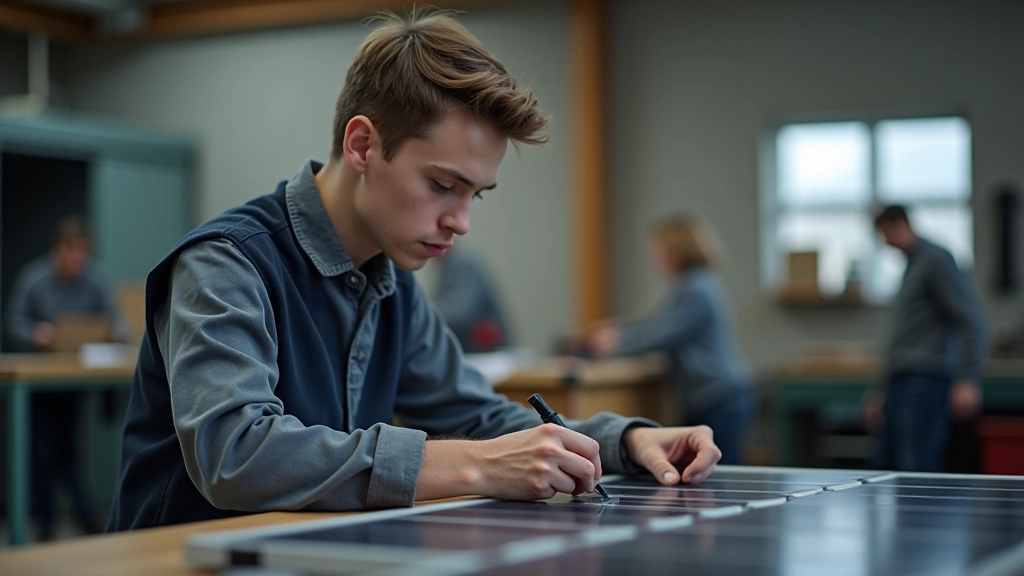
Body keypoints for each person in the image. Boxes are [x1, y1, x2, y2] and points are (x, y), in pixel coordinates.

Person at [108, 9, 721, 532]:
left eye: (475, 195)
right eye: (443, 185)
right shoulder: (224, 263)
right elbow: (236, 453)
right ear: (362, 145)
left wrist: (625, 442)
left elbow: (477, 416)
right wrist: (477, 466)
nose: (461, 221)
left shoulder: (392, 281)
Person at [586, 216, 754, 465]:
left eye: (660, 250)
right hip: (714, 395)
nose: (656, 258)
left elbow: (662, 334)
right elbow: (657, 323)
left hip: (718, 396)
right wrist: (619, 332)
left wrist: (616, 342)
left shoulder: (696, 287)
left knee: (715, 474)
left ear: (676, 251)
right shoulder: (694, 284)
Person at [5, 215, 124, 539]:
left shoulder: (96, 279)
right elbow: (13, 322)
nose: (77, 260)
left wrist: (112, 332)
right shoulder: (33, 277)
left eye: (83, 253)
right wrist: (37, 334)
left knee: (72, 449)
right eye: (72, 252)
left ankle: (85, 517)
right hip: (38, 380)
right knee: (41, 451)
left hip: (75, 378)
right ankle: (44, 521)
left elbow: (118, 322)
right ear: (58, 250)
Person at [864, 205, 988, 472]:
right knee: (888, 469)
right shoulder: (912, 265)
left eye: (884, 233)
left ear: (900, 225)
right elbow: (905, 334)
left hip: (925, 382)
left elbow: (970, 319)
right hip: (902, 382)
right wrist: (883, 390)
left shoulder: (935, 259)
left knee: (917, 470)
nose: (884, 242)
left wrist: (967, 377)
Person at [432, 245, 511, 353]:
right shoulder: (448, 266)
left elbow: (458, 313)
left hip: (486, 351)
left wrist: (420, 313)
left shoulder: (462, 264)